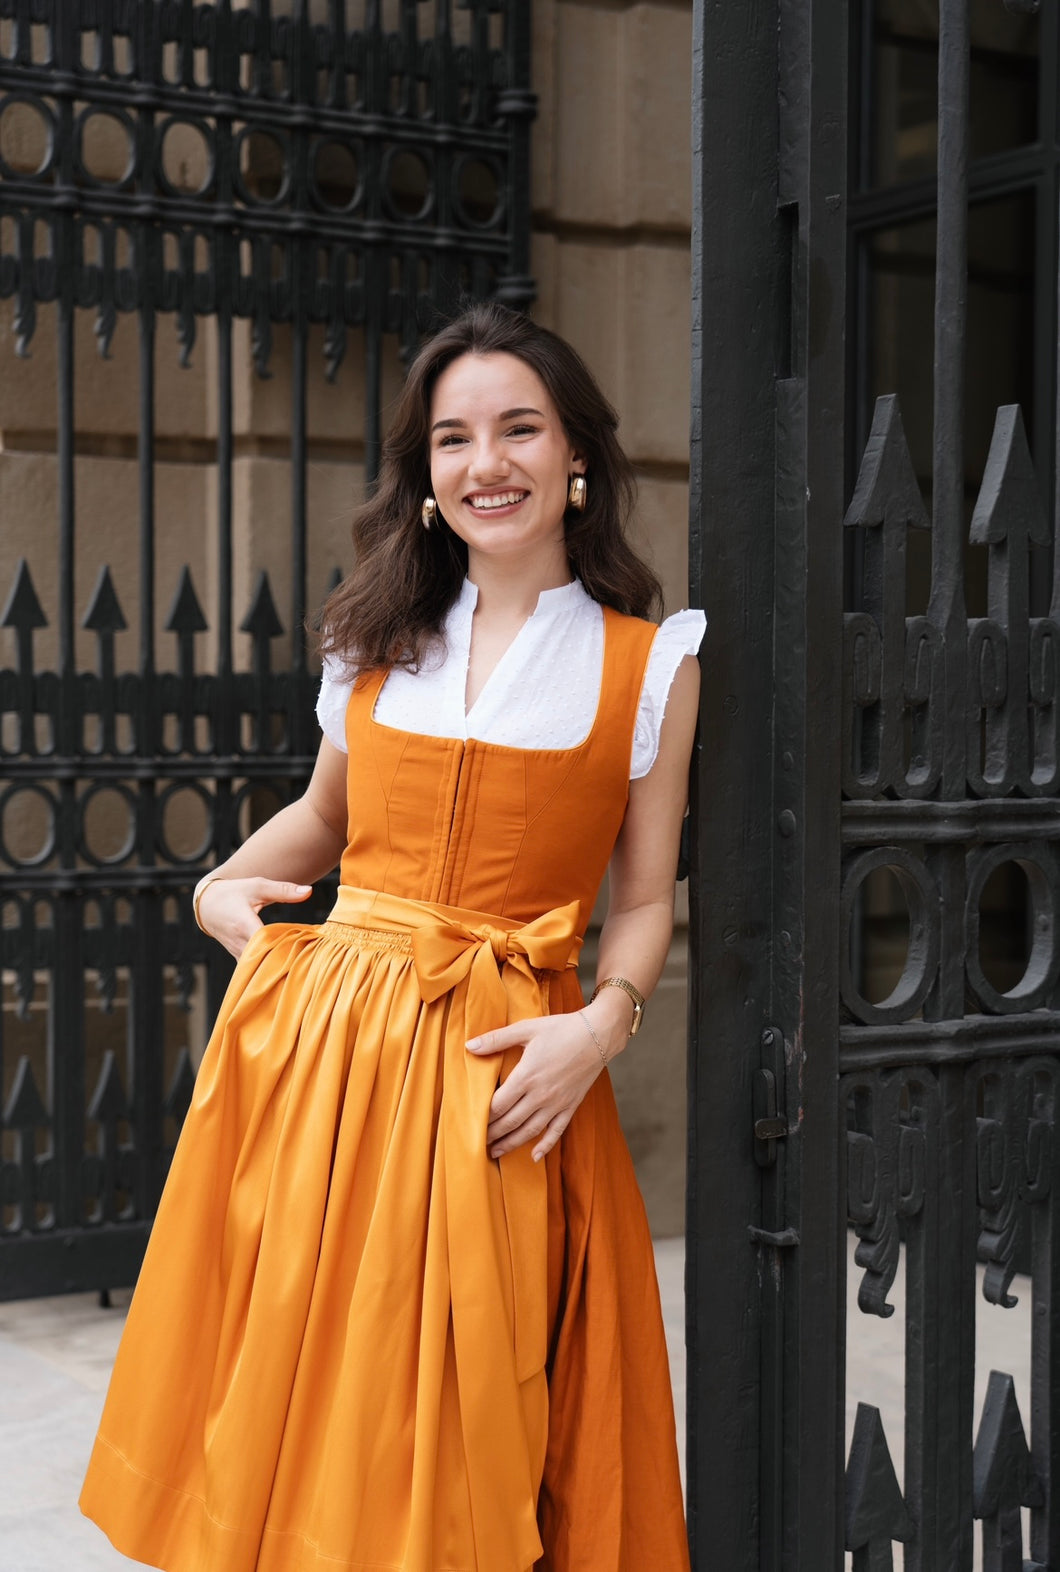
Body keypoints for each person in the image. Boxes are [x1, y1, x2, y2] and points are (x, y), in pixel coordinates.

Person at [80, 301, 704, 1572]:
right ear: (424, 477)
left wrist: (604, 1023)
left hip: (502, 1080)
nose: (489, 464)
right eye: (454, 437)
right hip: (329, 1070)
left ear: (574, 456)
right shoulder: (371, 646)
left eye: (520, 429)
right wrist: (219, 886)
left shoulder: (651, 665)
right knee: (312, 1398)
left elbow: (642, 898)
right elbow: (321, 819)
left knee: (478, 1417)